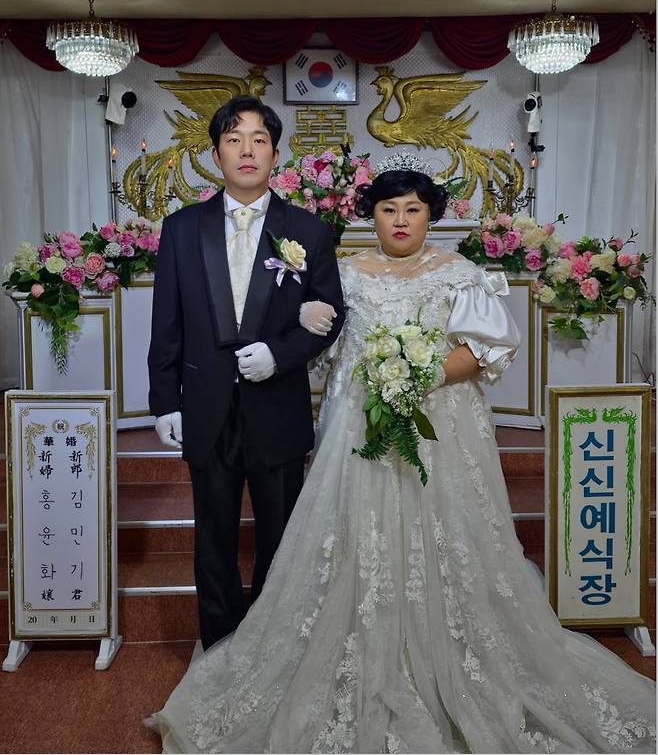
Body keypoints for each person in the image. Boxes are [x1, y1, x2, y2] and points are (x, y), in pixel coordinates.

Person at [149, 156, 655, 753]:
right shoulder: (346, 273)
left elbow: (484, 349)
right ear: (374, 215)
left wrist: (421, 374)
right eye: (389, 209)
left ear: (430, 216)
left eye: (413, 209)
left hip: (440, 429)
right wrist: (306, 321)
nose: (400, 220)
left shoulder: (459, 273)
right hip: (356, 428)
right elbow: (317, 341)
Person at [147, 95, 345, 651]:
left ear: (276, 154)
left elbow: (330, 316)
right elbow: (167, 321)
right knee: (213, 536)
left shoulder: (307, 230)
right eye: (234, 140)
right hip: (205, 405)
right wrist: (165, 401)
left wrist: (280, 355)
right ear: (216, 156)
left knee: (280, 534)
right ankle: (218, 644)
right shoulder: (182, 228)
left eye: (259, 140)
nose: (247, 150)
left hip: (276, 404)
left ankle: (274, 645)